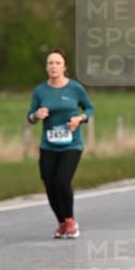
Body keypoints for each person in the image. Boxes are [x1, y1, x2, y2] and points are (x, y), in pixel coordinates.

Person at [27, 48, 94, 239]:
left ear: (64, 67)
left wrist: (79, 119)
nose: (54, 66)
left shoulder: (75, 88)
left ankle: (71, 220)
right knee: (49, 185)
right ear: (46, 67)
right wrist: (36, 115)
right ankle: (61, 222)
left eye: (57, 63)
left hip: (71, 144)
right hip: (48, 145)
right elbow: (30, 117)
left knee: (62, 182)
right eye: (50, 63)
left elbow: (89, 108)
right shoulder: (40, 91)